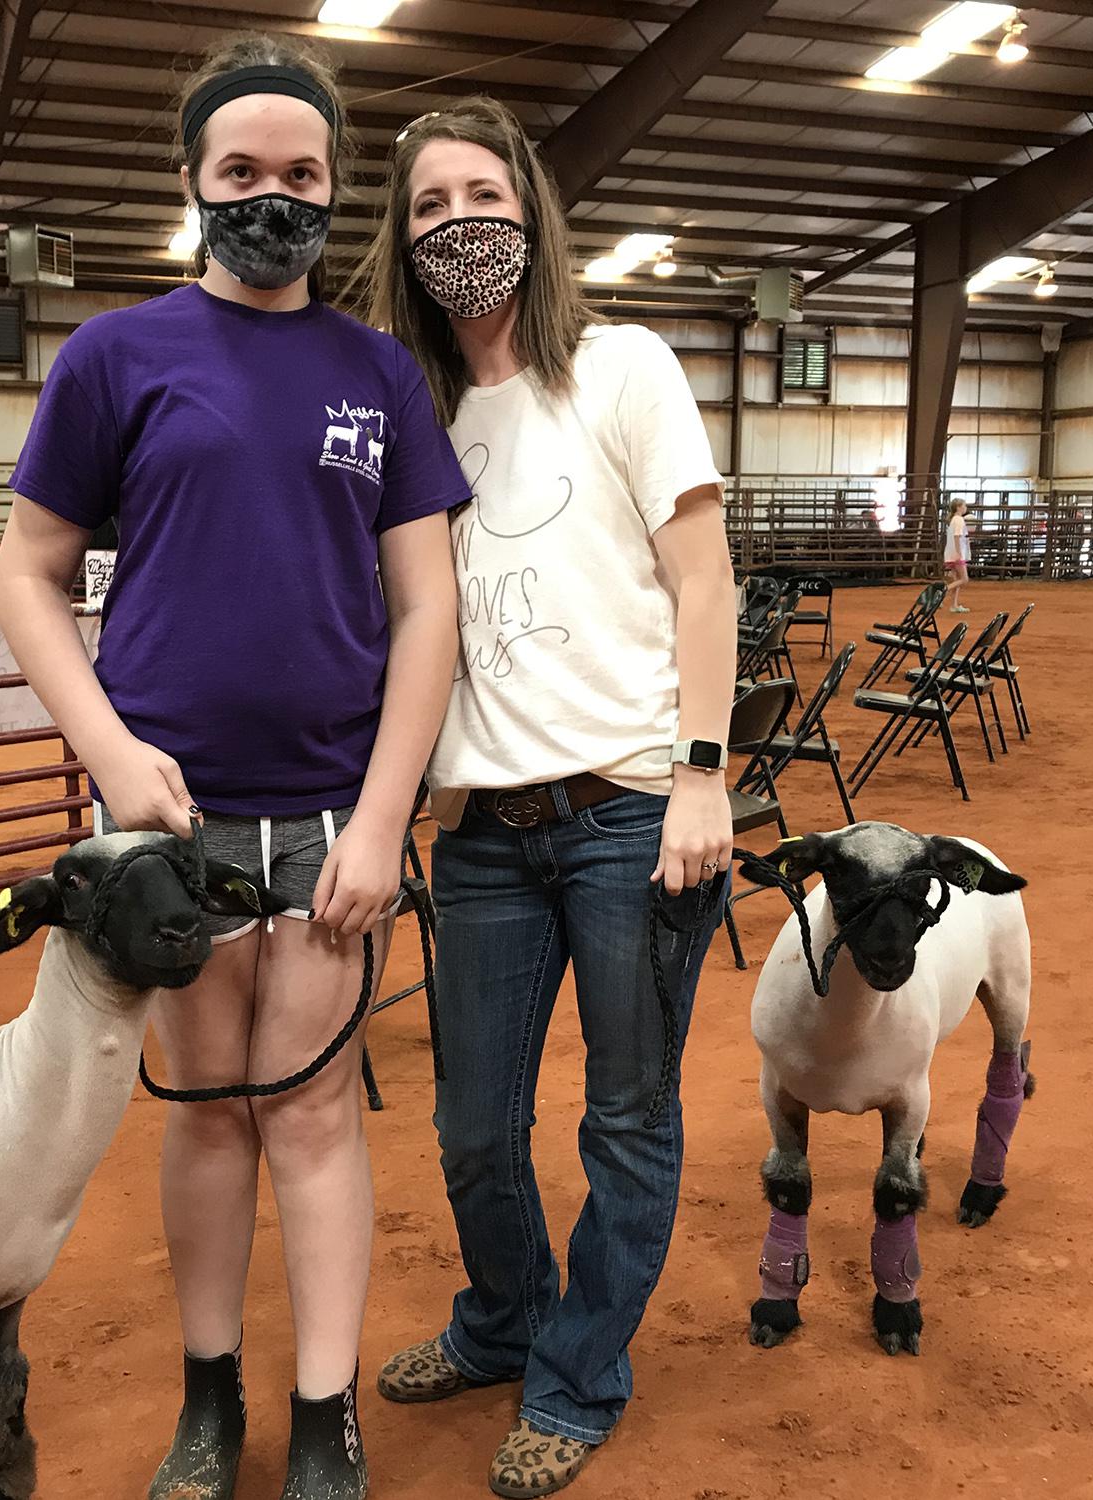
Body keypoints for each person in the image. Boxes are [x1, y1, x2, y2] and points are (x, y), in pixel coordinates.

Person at [0, 33, 465, 1500]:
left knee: (311, 1108)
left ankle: (323, 1414)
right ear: (195, 183)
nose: (275, 196)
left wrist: (385, 820)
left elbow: (429, 606)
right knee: (204, 1106)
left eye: (305, 174)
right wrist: (111, 749)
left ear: (339, 189)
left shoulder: (378, 371)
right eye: (243, 172)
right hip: (167, 820)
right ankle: (212, 1403)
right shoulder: (117, 356)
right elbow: (28, 572)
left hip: (334, 811)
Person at [359, 98, 737, 1498]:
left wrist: (705, 776)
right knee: (472, 1125)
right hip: (482, 837)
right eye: (430, 205)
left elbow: (705, 578)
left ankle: (577, 1378)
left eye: (483, 194)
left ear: (530, 208)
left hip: (633, 810)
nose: (461, 221)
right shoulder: (417, 412)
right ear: (403, 239)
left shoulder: (625, 369)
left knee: (626, 1117)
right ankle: (507, 1318)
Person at [944, 496, 973, 612]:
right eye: (964, 506)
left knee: (957, 580)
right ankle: (943, 591)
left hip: (951, 554)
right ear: (959, 507)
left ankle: (954, 605)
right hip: (956, 554)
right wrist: (959, 553)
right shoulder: (959, 520)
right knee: (964, 579)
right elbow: (957, 537)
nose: (965, 508)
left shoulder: (954, 520)